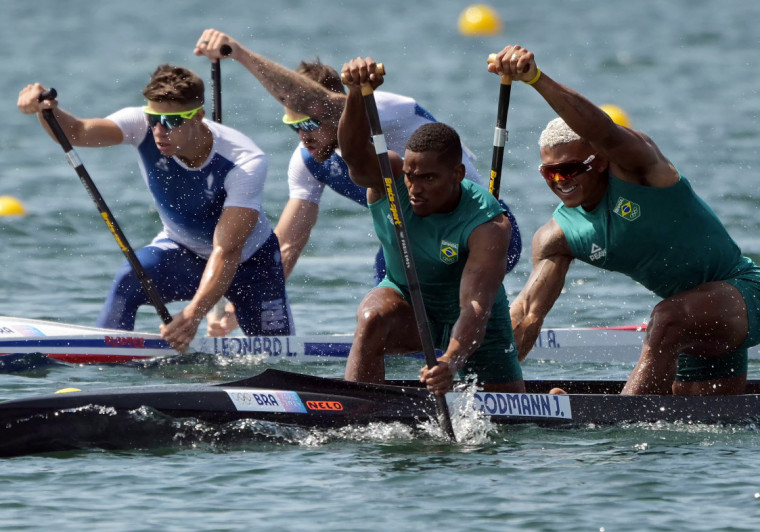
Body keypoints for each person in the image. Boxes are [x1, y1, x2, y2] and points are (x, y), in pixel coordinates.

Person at [194, 29, 522, 336]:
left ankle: (478, 336)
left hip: (483, 232)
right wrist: (242, 302)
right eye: (294, 127)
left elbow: (317, 100)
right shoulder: (307, 162)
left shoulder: (382, 109)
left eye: (310, 124)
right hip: (413, 244)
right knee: (384, 300)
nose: (303, 137)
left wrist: (239, 54)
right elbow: (286, 246)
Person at [490, 45, 760, 396]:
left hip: (741, 294)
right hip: (691, 324)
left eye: (570, 169)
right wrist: (487, 388)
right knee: (700, 424)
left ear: (600, 160)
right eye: (549, 174)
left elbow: (604, 131)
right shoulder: (558, 236)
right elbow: (526, 314)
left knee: (664, 319)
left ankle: (620, 427)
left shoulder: (639, 170)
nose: (562, 182)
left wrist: (536, 80)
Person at [17, 64, 293, 351]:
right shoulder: (140, 124)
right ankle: (106, 368)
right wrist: (45, 109)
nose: (159, 130)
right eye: (153, 118)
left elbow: (227, 251)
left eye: (171, 121)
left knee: (277, 356)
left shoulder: (245, 161)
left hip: (252, 266)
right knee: (129, 277)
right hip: (183, 253)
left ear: (198, 116)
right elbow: (77, 132)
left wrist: (191, 315)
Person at [338, 57, 525, 395]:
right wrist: (354, 92)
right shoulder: (388, 178)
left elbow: (475, 306)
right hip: (407, 304)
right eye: (410, 176)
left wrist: (451, 361)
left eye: (428, 178)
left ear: (458, 175)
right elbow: (351, 154)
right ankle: (358, 412)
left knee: (511, 418)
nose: (414, 188)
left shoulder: (488, 223)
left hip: (474, 320)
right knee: (371, 318)